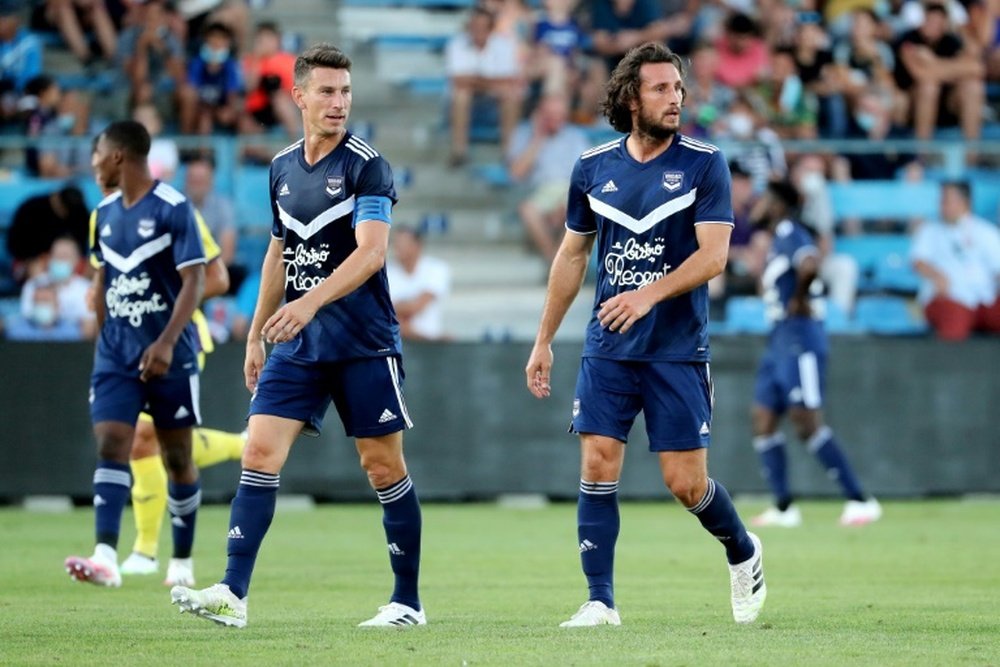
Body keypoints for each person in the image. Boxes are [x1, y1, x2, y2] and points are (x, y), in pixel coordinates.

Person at [170, 43, 424, 629]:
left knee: (382, 467)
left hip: (363, 341)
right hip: (298, 343)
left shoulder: (368, 166)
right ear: (299, 96)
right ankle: (233, 593)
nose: (339, 103)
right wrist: (258, 332)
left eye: (346, 92)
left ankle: (407, 601)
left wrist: (307, 304)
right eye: (328, 92)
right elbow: (278, 255)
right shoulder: (281, 167)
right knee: (258, 451)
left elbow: (372, 254)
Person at [524, 42, 767, 627]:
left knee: (685, 484)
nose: (674, 97)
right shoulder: (593, 167)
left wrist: (647, 293)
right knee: (597, 461)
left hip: (678, 348)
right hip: (608, 346)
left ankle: (743, 549)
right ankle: (600, 600)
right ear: (631, 97)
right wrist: (544, 339)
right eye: (661, 88)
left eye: (678, 88)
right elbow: (572, 257)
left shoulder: (705, 163)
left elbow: (714, 258)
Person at [64, 120, 207, 588]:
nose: (93, 164)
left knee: (178, 458)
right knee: (111, 443)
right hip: (117, 356)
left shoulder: (173, 207)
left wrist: (166, 341)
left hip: (170, 353)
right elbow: (102, 281)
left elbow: (196, 279)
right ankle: (105, 555)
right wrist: (105, 343)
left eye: (97, 154)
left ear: (118, 156)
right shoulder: (102, 214)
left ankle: (182, 559)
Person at [749, 180, 882, 528]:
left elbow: (810, 262)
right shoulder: (777, 239)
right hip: (778, 336)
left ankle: (860, 500)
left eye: (765, 200)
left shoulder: (792, 231)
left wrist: (799, 298)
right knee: (763, 418)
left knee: (806, 421)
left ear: (778, 205)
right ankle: (783, 508)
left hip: (799, 335)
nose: (758, 206)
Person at [506, 92, 590, 263]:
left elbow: (586, 175)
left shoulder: (574, 137)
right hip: (538, 192)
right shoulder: (523, 134)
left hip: (570, 189)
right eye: (551, 115)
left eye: (561, 115)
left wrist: (562, 205)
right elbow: (516, 174)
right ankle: (556, 262)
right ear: (540, 114)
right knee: (528, 210)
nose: (557, 120)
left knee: (576, 206)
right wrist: (538, 138)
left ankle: (556, 265)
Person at [911, 181, 1000, 341]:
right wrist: (937, 275)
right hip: (949, 296)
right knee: (953, 323)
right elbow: (918, 262)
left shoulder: (986, 232)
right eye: (941, 201)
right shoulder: (930, 231)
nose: (942, 206)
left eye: (947, 201)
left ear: (965, 203)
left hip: (984, 297)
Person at [445, 6, 522, 167]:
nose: (477, 31)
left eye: (482, 27)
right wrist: (490, 82)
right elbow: (458, 80)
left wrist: (476, 80)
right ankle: (459, 152)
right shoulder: (457, 44)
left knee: (511, 95)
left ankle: (509, 152)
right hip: (472, 93)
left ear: (490, 28)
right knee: (461, 95)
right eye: (474, 26)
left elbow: (510, 78)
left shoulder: (503, 45)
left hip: (491, 94)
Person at [19, 235, 96, 339]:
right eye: (57, 255)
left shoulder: (87, 289)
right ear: (49, 258)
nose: (60, 260)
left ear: (77, 260)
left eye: (65, 256)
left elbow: (88, 331)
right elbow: (26, 323)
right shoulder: (33, 285)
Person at [386, 225, 451, 341]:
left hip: (429, 344)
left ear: (418, 245)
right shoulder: (386, 273)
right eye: (396, 243)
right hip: (397, 342)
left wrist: (398, 309)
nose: (398, 248)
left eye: (404, 243)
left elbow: (417, 306)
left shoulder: (436, 268)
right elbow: (387, 312)